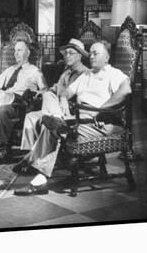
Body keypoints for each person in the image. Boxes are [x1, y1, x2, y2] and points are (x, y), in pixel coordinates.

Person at [14, 41, 131, 196]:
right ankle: (59, 123)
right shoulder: (87, 75)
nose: (92, 56)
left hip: (99, 122)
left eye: (96, 53)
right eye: (91, 53)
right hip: (77, 119)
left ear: (107, 57)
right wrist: (63, 99)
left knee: (51, 131)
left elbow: (125, 89)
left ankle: (38, 173)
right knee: (49, 97)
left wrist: (102, 109)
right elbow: (67, 92)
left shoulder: (112, 73)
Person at [13, 39, 89, 183]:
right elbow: (55, 88)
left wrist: (59, 98)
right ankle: (32, 155)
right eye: (65, 53)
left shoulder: (84, 74)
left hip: (71, 111)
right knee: (31, 116)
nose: (67, 55)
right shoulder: (66, 72)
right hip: (56, 108)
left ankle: (33, 160)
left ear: (80, 55)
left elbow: (80, 96)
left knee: (46, 109)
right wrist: (39, 93)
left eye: (71, 53)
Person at [0, 40, 47, 163]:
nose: (16, 53)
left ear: (28, 53)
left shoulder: (35, 71)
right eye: (15, 51)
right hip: (5, 98)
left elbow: (44, 90)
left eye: (19, 50)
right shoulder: (10, 69)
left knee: (3, 110)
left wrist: (33, 94)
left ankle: (4, 148)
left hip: (21, 104)